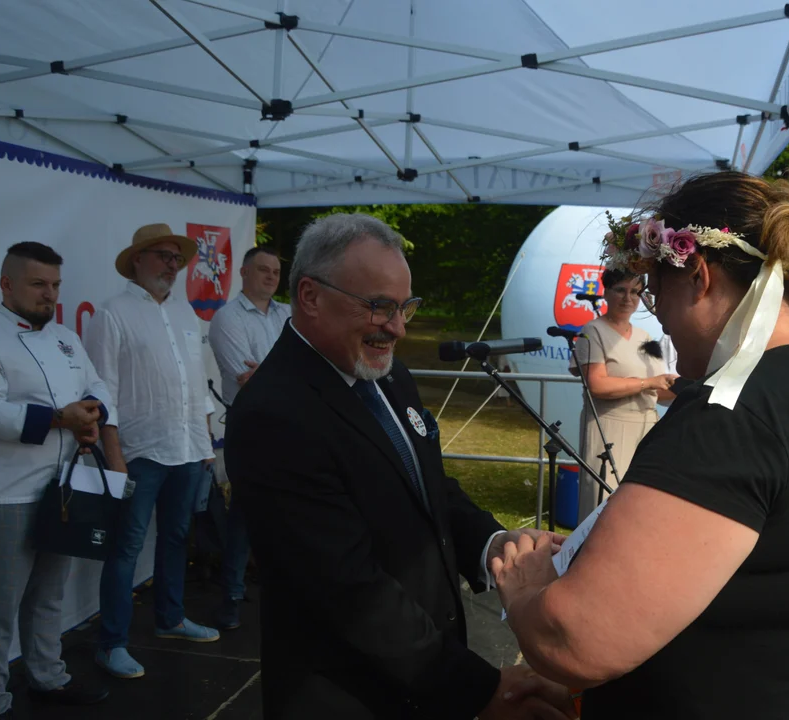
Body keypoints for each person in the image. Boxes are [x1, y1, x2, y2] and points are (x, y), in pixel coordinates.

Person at [491, 171, 789, 718]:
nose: (659, 317)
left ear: (697, 275)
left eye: (658, 291)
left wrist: (525, 587)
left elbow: (574, 641)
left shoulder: (731, 411)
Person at [223, 214, 576, 719]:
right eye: (379, 306)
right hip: (348, 696)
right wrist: (480, 691)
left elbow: (428, 483)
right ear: (310, 296)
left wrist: (494, 546)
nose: (398, 327)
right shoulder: (273, 414)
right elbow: (347, 590)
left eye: (405, 306)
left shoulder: (386, 375)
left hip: (419, 677)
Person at [84, 224, 221, 680]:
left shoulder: (186, 314)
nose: (171, 265)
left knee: (177, 538)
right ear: (138, 260)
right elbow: (102, 390)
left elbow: (198, 386)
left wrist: (203, 442)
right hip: (140, 451)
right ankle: (112, 643)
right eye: (162, 255)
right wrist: (115, 455)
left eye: (176, 258)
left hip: (185, 449)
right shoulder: (112, 313)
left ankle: (171, 619)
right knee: (125, 549)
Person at [0, 243, 111, 719]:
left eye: (55, 285)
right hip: (7, 491)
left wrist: (92, 411)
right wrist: (60, 418)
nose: (50, 294)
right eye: (39, 284)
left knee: (49, 595)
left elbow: (96, 384)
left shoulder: (65, 337)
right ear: (6, 284)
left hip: (63, 486)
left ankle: (47, 677)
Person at [207, 246, 290, 630]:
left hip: (291, 428)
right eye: (262, 270)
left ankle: (283, 591)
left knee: (288, 516)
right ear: (243, 272)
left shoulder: (288, 314)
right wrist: (290, 373)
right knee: (244, 516)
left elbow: (315, 364)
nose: (271, 277)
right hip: (251, 430)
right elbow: (247, 378)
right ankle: (231, 598)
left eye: (275, 271)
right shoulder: (226, 318)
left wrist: (277, 373)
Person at [569, 267, 676, 524]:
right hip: (608, 428)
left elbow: (659, 393)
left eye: (635, 292)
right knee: (603, 508)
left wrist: (689, 386)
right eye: (621, 290)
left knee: (639, 508)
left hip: (646, 429)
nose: (628, 298)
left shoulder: (645, 336)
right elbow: (597, 385)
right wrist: (648, 382)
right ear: (606, 292)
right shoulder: (592, 331)